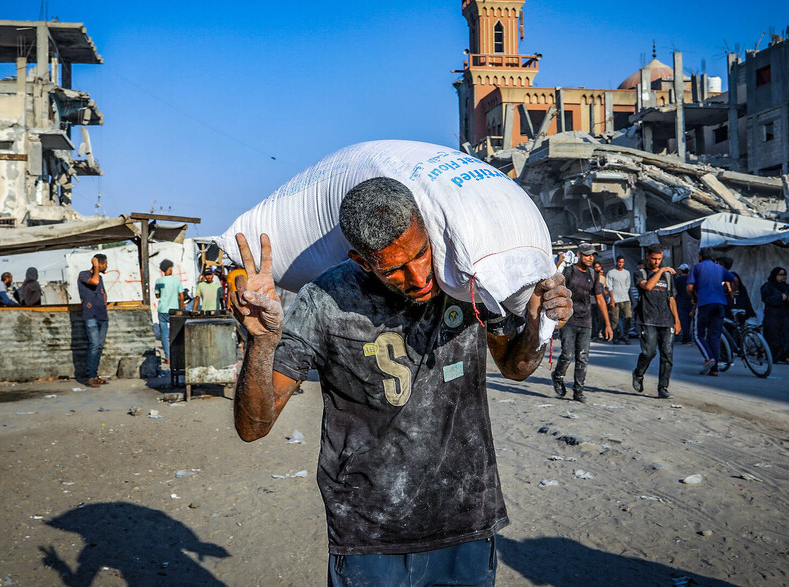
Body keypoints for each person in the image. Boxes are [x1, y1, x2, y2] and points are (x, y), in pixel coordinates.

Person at [229, 177, 573, 585]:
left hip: (464, 520)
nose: (419, 276)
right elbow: (254, 427)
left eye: (421, 254)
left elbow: (514, 367)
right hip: (369, 534)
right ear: (362, 262)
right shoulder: (324, 301)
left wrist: (537, 326)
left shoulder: (468, 278)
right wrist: (263, 344)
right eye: (393, 269)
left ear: (427, 230)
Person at [554, 243, 613, 403]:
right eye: (587, 255)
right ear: (579, 255)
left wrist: (607, 324)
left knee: (583, 357)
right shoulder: (569, 271)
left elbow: (600, 299)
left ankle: (578, 391)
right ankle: (558, 376)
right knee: (567, 355)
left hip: (586, 320)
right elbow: (556, 284)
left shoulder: (593, 275)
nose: (590, 258)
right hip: (569, 319)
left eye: (592, 255)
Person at [632, 244, 681, 399]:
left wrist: (677, 320)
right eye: (654, 258)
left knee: (668, 355)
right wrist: (660, 270)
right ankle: (638, 374)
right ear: (647, 256)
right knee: (649, 352)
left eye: (659, 259)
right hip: (647, 320)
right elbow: (648, 287)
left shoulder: (668, 277)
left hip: (666, 320)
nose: (656, 261)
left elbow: (671, 299)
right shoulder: (640, 273)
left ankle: (663, 388)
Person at [687, 247, 734, 376]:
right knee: (715, 337)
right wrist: (733, 292)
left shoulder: (697, 267)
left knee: (698, 335)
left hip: (704, 304)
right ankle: (715, 369)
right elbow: (733, 279)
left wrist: (694, 297)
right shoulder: (719, 268)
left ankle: (709, 358)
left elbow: (689, 287)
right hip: (720, 304)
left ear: (700, 256)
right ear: (713, 257)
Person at [760, 267, 789, 365]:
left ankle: (788, 356)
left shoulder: (786, 286)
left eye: (784, 275)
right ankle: (775, 357)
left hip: (785, 314)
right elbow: (766, 299)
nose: (782, 277)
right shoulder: (767, 286)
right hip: (772, 315)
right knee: (774, 336)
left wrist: (788, 299)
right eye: (780, 275)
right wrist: (779, 297)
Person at [78, 254, 109, 387]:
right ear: (99, 264)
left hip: (102, 316)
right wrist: (95, 266)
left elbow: (103, 292)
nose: (107, 266)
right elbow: (94, 282)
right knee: (94, 345)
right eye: (105, 264)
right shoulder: (84, 275)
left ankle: (94, 375)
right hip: (90, 316)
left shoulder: (100, 277)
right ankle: (90, 376)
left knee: (99, 347)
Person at [154, 259, 185, 365]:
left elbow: (157, 295)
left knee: (164, 334)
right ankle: (177, 356)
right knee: (175, 333)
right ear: (169, 269)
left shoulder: (159, 281)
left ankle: (168, 357)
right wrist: (181, 309)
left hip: (162, 310)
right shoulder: (176, 281)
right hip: (174, 310)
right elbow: (181, 296)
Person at [606, 255, 632, 344]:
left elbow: (628, 285)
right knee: (615, 319)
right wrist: (612, 299)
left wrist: (624, 293)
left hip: (625, 298)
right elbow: (609, 286)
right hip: (615, 299)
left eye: (622, 262)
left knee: (628, 317)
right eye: (619, 262)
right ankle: (615, 337)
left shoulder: (627, 273)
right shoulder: (611, 273)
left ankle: (625, 335)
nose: (620, 264)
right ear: (616, 262)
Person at [673, 264, 693, 344]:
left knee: (683, 320)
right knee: (689, 320)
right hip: (691, 301)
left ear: (681, 271)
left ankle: (686, 338)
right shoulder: (691, 279)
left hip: (681, 302)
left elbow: (674, 291)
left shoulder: (677, 280)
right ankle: (687, 337)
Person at [591, 261, 609, 341]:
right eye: (596, 267)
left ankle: (599, 332)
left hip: (601, 301)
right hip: (592, 301)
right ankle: (594, 335)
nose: (597, 269)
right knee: (593, 319)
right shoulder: (591, 277)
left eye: (599, 267)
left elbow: (604, 289)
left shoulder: (603, 278)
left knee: (601, 318)